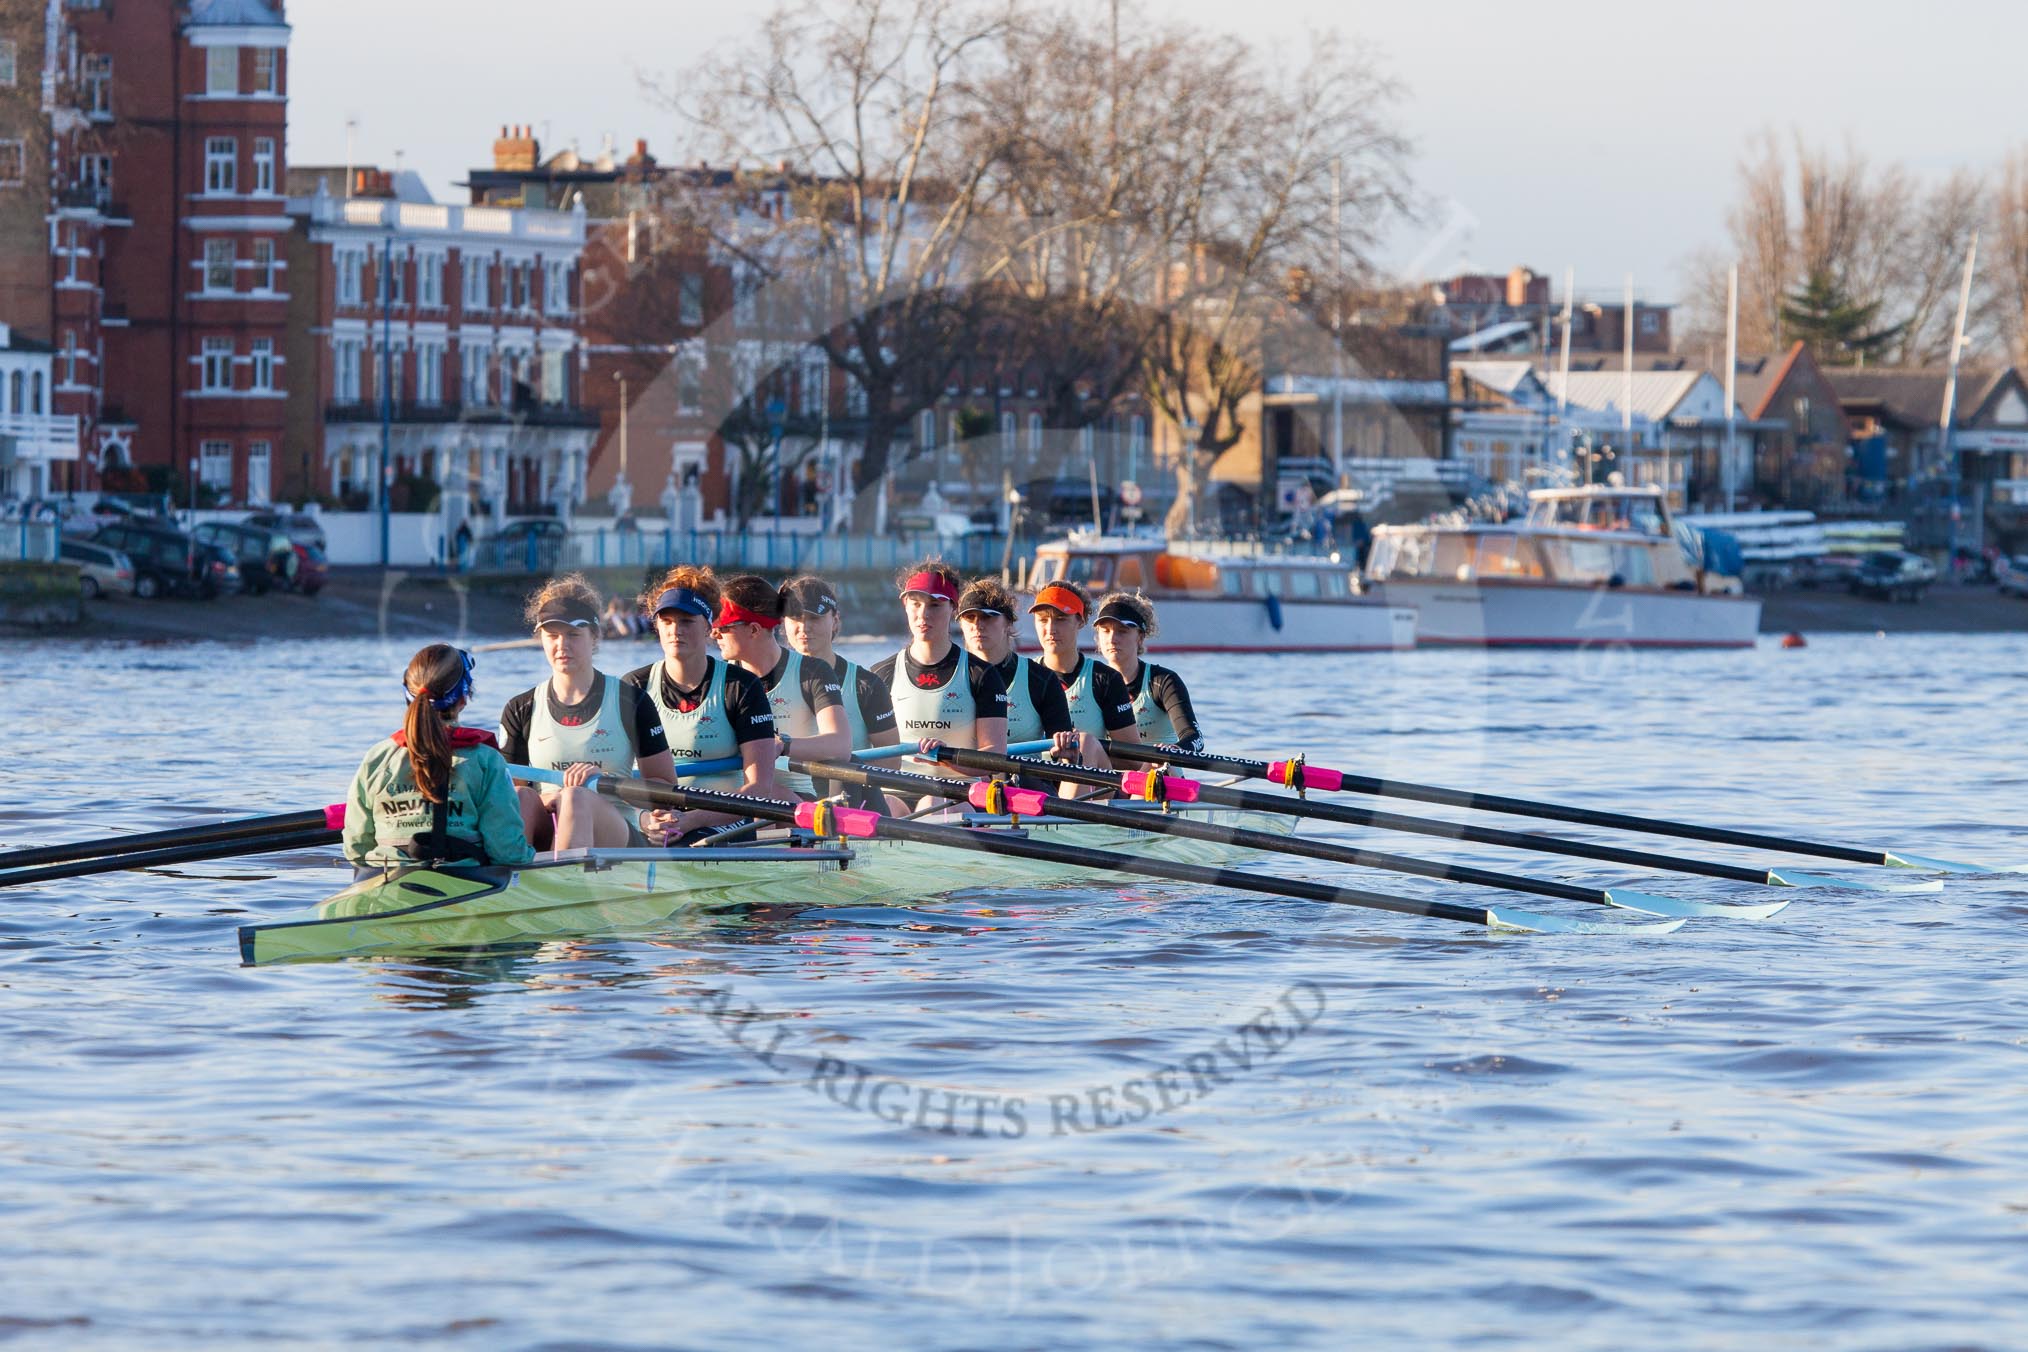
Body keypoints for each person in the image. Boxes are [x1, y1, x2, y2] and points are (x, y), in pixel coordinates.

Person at [498, 574, 679, 850]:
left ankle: (565, 882)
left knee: (576, 798)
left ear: (594, 636)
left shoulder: (630, 701)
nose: (562, 646)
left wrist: (606, 783)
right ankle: (513, 883)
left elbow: (667, 791)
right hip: (551, 825)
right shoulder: (520, 708)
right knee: (522, 797)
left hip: (618, 832)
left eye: (573, 634)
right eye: (552, 635)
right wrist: (550, 799)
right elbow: (507, 797)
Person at [343, 644, 534, 869]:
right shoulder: (486, 760)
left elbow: (356, 849)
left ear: (407, 697)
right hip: (466, 886)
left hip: (384, 882)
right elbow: (506, 853)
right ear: (463, 699)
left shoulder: (377, 757)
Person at [624, 565, 779, 840]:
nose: (675, 631)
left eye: (686, 621)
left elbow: (759, 789)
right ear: (656, 626)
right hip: (653, 818)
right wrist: (645, 819)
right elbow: (613, 775)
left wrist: (691, 820)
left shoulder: (741, 687)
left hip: (720, 818)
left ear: (709, 626)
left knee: (685, 841)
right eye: (667, 621)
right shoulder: (633, 686)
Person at [712, 574, 852, 799]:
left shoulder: (812, 672)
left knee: (765, 796)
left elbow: (840, 745)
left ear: (755, 630)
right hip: (736, 797)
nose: (714, 633)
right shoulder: (719, 677)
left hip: (794, 796)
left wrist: (782, 745)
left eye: (723, 627)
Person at [871, 559, 1008, 781]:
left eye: (935, 605)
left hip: (957, 794)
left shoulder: (981, 675)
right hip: (897, 791)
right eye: (916, 603)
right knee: (890, 805)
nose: (923, 614)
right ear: (905, 605)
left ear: (953, 608)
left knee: (932, 801)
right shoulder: (880, 674)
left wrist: (946, 757)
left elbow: (995, 756)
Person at [1028, 578, 1139, 763]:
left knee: (1084, 742)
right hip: (1034, 783)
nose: (1050, 629)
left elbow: (1133, 761)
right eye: (1043, 620)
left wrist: (1084, 751)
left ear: (1081, 621)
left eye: (1061, 619)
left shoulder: (1105, 679)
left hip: (1091, 784)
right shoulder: (1024, 673)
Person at [1092, 591, 1204, 752]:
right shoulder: (1088, 682)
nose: (1112, 639)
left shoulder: (1163, 681)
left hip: (1160, 771)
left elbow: (1195, 738)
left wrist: (1172, 751)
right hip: (1112, 774)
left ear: (1140, 637)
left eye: (1122, 631)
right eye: (1105, 630)